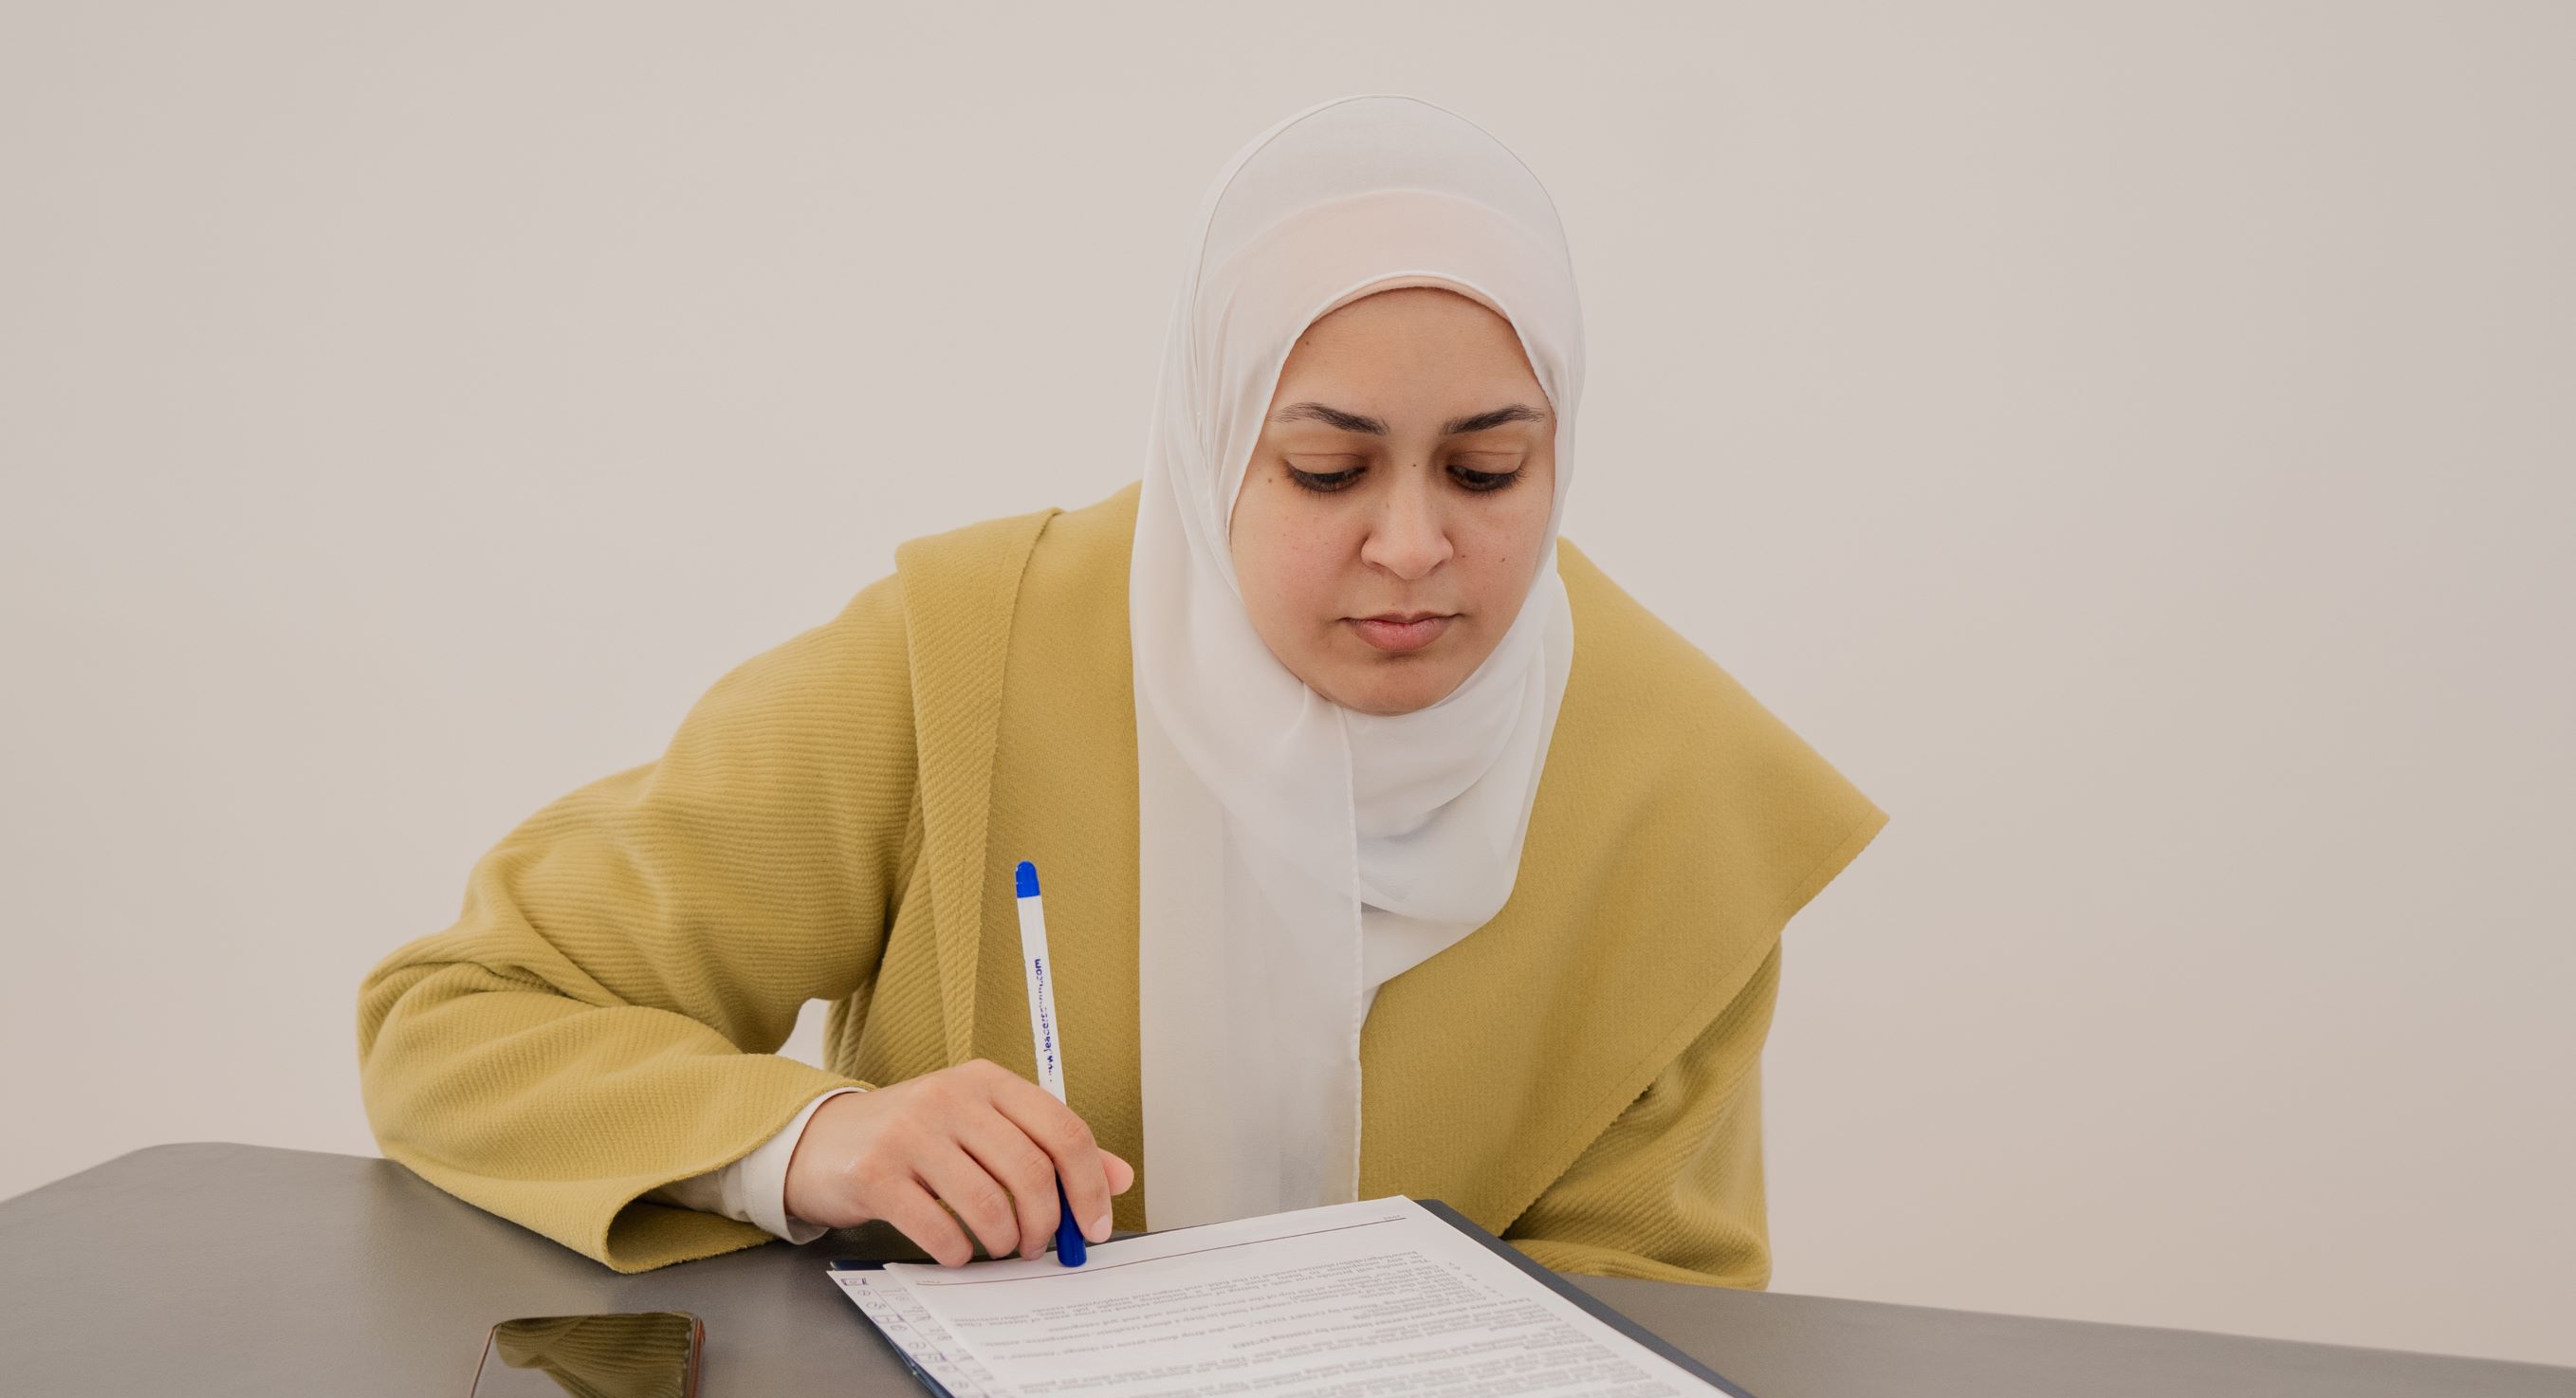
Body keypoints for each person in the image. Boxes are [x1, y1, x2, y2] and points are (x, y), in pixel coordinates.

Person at [356, 93, 1886, 1283]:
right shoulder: (955, 667)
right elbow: (459, 1018)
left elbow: (1652, 1323)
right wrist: (811, 1138)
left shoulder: (1680, 788)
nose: (1415, 545)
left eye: (1490, 469)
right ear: (1209, 437)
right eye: (1328, 468)